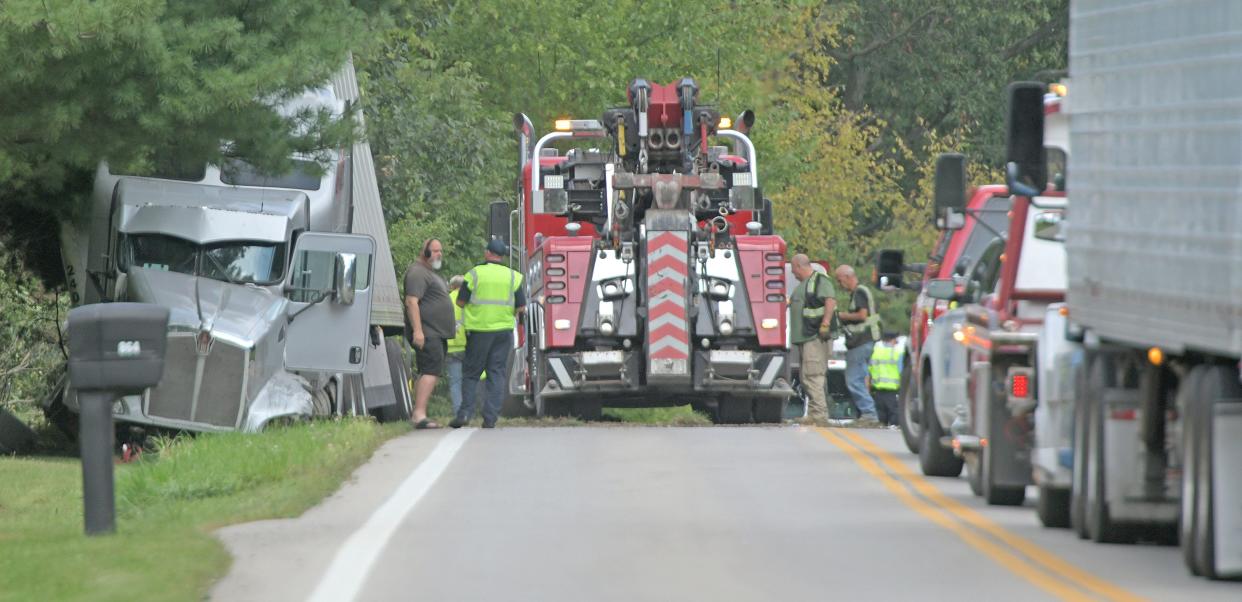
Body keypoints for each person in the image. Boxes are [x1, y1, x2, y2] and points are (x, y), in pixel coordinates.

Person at [451, 238, 525, 429]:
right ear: (502, 256)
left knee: (471, 374)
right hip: (503, 332)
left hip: (479, 331)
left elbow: (460, 302)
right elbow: (522, 307)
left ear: (487, 253)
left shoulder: (474, 274)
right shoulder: (513, 277)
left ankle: (465, 413)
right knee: (496, 373)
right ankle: (490, 418)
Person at [402, 238, 453, 429]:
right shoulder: (417, 272)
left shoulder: (428, 273)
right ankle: (419, 415)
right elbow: (411, 302)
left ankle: (420, 412)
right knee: (431, 371)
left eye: (441, 251)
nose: (439, 254)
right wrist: (418, 331)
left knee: (431, 371)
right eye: (435, 251)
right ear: (425, 253)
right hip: (427, 332)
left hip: (435, 332)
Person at [789, 254, 837, 422]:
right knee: (806, 376)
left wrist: (825, 323)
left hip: (815, 337)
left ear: (798, 266)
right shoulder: (804, 285)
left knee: (813, 375)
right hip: (805, 338)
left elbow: (830, 300)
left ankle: (819, 415)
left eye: (794, 269)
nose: (793, 273)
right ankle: (814, 413)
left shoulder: (819, 280)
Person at [834, 264, 882, 425]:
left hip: (861, 342)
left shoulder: (860, 292)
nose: (840, 285)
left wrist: (841, 315)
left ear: (848, 277)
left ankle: (869, 414)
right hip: (864, 342)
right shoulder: (858, 293)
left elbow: (862, 315)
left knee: (853, 379)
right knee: (860, 379)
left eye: (840, 281)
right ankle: (868, 415)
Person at [869, 331, 904, 427]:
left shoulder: (875, 352)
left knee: (881, 416)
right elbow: (902, 373)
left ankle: (882, 426)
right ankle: (893, 426)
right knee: (894, 414)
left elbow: (870, 370)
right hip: (892, 391)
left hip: (877, 391)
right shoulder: (898, 354)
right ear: (893, 340)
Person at [446, 275, 468, 415]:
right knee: (470, 380)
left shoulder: (445, 299)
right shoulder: (467, 300)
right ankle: (470, 411)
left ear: (452, 286)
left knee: (455, 382)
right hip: (467, 346)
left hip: (451, 347)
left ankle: (459, 413)